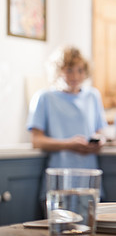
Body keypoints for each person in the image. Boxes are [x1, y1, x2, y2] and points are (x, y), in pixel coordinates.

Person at [27, 46, 107, 204]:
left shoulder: (93, 96)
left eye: (80, 70)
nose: (75, 76)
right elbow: (36, 140)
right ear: (57, 71)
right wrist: (69, 144)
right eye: (69, 70)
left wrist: (99, 141)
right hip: (59, 182)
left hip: (89, 180)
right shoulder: (44, 98)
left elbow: (99, 131)